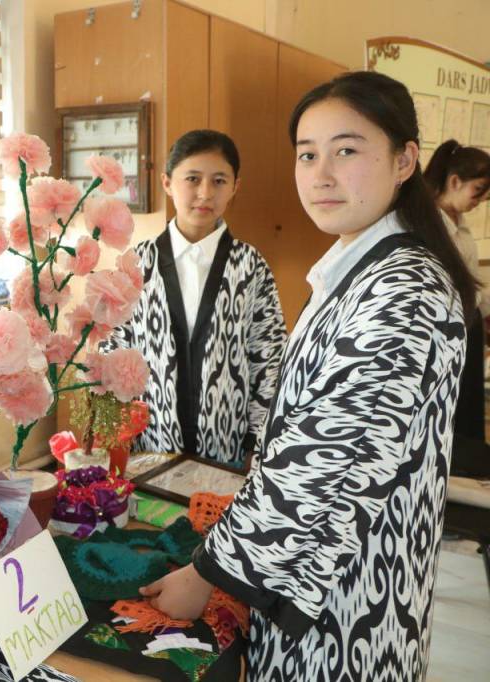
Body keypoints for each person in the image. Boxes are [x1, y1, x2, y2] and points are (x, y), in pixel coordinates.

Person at [141, 71, 473, 681]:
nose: (321, 174)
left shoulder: (404, 292)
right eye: (307, 154)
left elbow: (322, 464)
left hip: (347, 606)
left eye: (346, 151)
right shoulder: (356, 270)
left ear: (404, 161)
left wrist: (207, 573)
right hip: (303, 570)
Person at [104, 129, 286, 466]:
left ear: (235, 187)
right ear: (167, 182)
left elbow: (269, 361)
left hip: (228, 450)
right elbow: (112, 352)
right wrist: (115, 436)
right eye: (192, 179)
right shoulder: (135, 265)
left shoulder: (250, 267)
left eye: (219, 181)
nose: (205, 193)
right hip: (150, 445)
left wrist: (256, 444)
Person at [424, 139, 490, 443]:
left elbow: (474, 281)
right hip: (443, 333)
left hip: (468, 327)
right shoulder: (429, 226)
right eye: (479, 189)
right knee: (447, 412)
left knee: (468, 410)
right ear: (454, 181)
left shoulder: (460, 225)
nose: (482, 199)